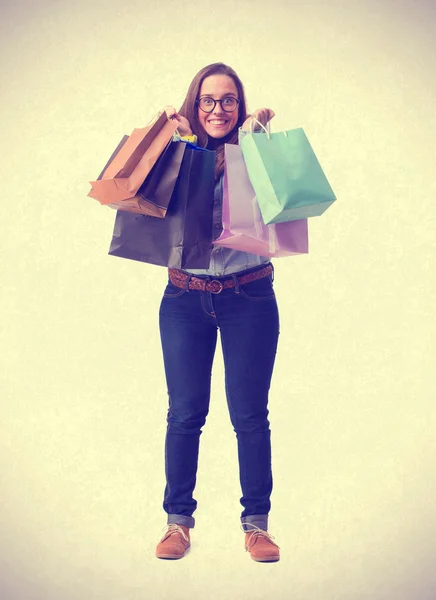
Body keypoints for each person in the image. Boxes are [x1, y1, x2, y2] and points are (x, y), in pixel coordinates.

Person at [155, 62, 280, 562]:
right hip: (184, 299)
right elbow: (152, 204)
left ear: (239, 105)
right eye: (208, 99)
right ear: (194, 103)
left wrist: (260, 142)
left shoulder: (255, 149)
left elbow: (282, 206)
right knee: (185, 414)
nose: (218, 109)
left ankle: (257, 526)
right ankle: (177, 524)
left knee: (250, 416)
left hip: (249, 296)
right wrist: (168, 140)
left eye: (228, 100)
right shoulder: (175, 153)